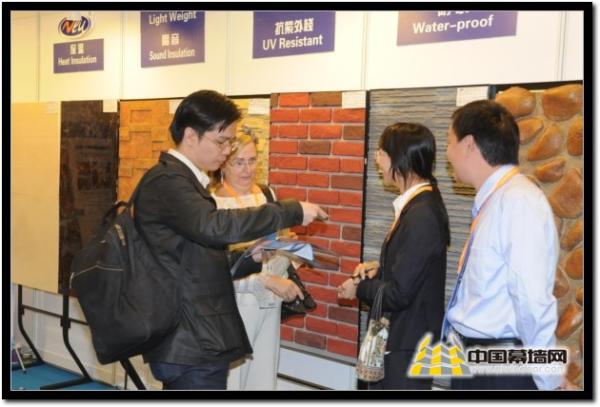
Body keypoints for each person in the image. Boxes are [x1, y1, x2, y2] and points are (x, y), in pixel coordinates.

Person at [133, 90, 326, 390]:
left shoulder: (183, 181)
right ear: (191, 135)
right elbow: (214, 227)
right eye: (221, 142)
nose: (226, 151)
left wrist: (249, 258)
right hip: (189, 339)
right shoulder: (169, 182)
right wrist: (290, 211)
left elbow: (196, 260)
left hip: (197, 336)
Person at [443, 99, 567, 390]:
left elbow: (532, 301)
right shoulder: (497, 199)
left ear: (469, 145)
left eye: (449, 142)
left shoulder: (519, 202)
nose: (446, 153)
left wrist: (550, 381)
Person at [337, 122, 449, 389]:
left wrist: (358, 287)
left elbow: (400, 293)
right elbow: (413, 270)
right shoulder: (419, 204)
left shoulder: (421, 214)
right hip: (406, 340)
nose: (377, 159)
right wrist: (382, 269)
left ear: (399, 158)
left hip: (406, 346)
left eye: (381, 152)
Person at [210, 132, 303, 390]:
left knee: (263, 378)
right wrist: (266, 280)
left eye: (252, 161)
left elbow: (274, 243)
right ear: (223, 165)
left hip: (271, 301)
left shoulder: (266, 194)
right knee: (233, 379)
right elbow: (215, 269)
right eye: (239, 162)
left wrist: (288, 248)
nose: (247, 169)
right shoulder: (214, 204)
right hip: (234, 304)